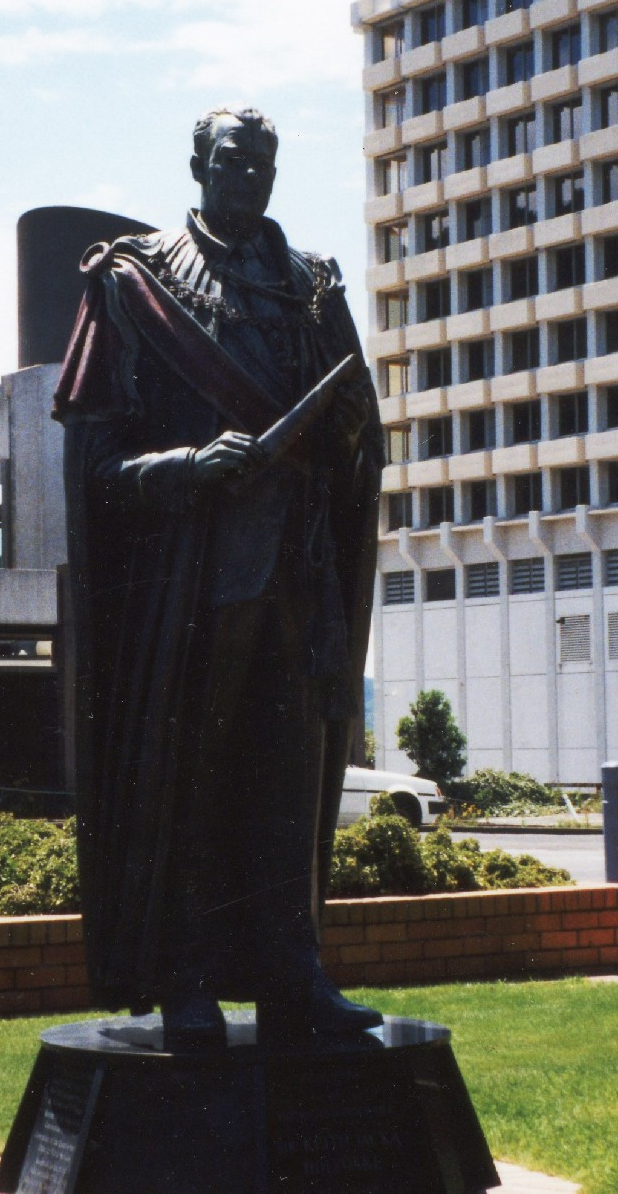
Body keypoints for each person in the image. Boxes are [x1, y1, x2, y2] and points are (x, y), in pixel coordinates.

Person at [53, 105, 384, 1048]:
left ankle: (293, 976)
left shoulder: (312, 287)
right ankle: (185, 976)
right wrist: (188, 467)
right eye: (233, 162)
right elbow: (97, 468)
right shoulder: (133, 282)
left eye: (264, 165)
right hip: (190, 591)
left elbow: (362, 440)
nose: (250, 180)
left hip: (298, 581)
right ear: (199, 164)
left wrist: (352, 432)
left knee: (287, 784)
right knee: (187, 787)